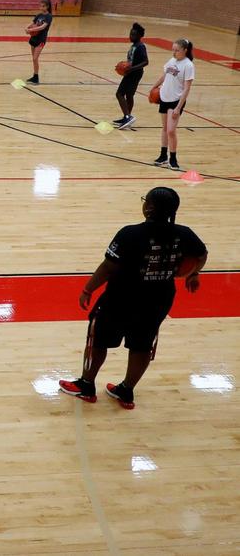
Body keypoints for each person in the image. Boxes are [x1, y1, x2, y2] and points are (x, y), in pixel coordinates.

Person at [59, 187, 207, 409]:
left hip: (122, 297)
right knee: (142, 345)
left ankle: (87, 385)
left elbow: (109, 266)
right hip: (159, 299)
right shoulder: (185, 233)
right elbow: (202, 255)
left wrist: (88, 289)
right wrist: (194, 273)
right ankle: (126, 391)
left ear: (149, 207)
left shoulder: (130, 233)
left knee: (99, 339)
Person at [151, 38, 195, 171]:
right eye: (173, 50)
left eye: (177, 50)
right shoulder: (171, 61)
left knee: (171, 130)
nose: (174, 52)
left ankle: (173, 158)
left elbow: (187, 88)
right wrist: (153, 87)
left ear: (185, 50)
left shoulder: (188, 65)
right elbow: (164, 76)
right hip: (164, 97)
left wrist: (178, 107)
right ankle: (163, 155)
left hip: (176, 101)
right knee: (165, 128)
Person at [113, 22, 149, 129]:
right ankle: (127, 118)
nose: (131, 36)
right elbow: (132, 60)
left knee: (119, 94)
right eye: (130, 34)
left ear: (139, 36)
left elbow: (146, 62)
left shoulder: (141, 46)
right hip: (132, 73)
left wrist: (130, 69)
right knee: (129, 95)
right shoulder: (134, 46)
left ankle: (127, 116)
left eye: (133, 35)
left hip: (134, 73)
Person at [25, 0, 53, 85]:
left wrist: (32, 29)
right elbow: (32, 23)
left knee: (35, 58)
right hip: (34, 38)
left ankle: (36, 78)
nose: (41, 7)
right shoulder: (38, 15)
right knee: (34, 59)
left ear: (47, 7)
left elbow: (42, 27)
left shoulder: (49, 16)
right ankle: (35, 76)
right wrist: (26, 28)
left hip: (41, 39)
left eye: (43, 6)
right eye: (40, 6)